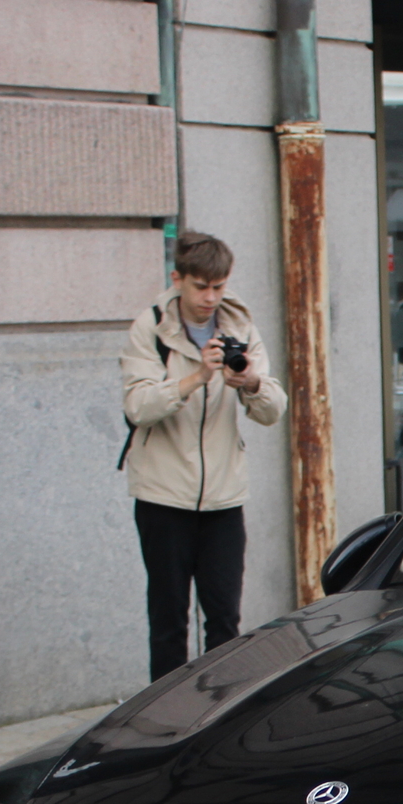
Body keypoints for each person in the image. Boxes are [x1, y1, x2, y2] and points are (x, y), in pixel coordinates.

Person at [118, 231, 287, 680]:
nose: (210, 298)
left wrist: (250, 384)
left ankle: (219, 715)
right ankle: (163, 724)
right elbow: (138, 406)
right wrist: (195, 377)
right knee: (169, 621)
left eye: (219, 286)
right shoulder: (150, 328)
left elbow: (273, 410)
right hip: (162, 496)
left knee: (225, 622)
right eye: (201, 287)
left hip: (223, 498)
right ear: (178, 279)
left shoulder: (241, 328)